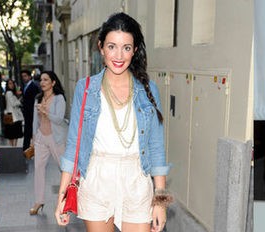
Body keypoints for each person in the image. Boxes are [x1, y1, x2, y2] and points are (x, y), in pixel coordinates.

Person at [54, 12, 171, 232]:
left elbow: (156, 149)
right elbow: (73, 146)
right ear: (101, 47)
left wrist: (160, 203)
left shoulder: (148, 90)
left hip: (137, 178)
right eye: (112, 46)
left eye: (126, 47)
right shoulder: (85, 88)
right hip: (98, 178)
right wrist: (62, 196)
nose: (119, 55)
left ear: (135, 50)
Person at [29, 70, 68, 215]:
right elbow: (34, 120)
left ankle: (72, 198)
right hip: (41, 137)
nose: (42, 82)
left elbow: (59, 119)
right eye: (41, 80)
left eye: (46, 80)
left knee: (64, 169)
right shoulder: (38, 98)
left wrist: (45, 112)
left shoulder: (59, 98)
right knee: (38, 169)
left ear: (53, 82)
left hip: (55, 137)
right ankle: (39, 201)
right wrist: (34, 137)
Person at [21, 70, 41, 151]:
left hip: (31, 112)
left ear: (30, 76)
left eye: (25, 76)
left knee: (30, 130)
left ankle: (28, 147)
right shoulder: (25, 86)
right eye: (22, 76)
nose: (24, 78)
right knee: (28, 130)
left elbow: (34, 100)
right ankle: (27, 147)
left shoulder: (33, 86)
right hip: (27, 112)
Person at [3, 78, 24, 146]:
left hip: (11, 115)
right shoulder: (9, 93)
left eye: (12, 83)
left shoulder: (10, 93)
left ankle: (13, 146)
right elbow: (14, 104)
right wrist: (20, 99)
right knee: (14, 133)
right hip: (13, 116)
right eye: (10, 83)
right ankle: (13, 146)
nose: (11, 85)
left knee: (12, 133)